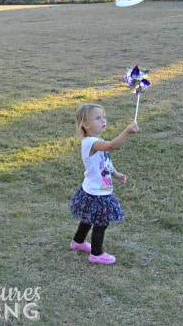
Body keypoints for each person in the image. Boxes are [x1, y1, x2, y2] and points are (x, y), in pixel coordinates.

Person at [69, 103, 139, 265]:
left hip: (93, 189)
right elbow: (111, 146)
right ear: (86, 124)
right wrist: (127, 132)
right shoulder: (91, 142)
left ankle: (78, 242)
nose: (103, 120)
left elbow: (105, 161)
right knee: (101, 222)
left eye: (104, 117)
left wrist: (116, 173)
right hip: (98, 192)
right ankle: (96, 254)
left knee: (88, 217)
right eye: (98, 118)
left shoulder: (97, 140)